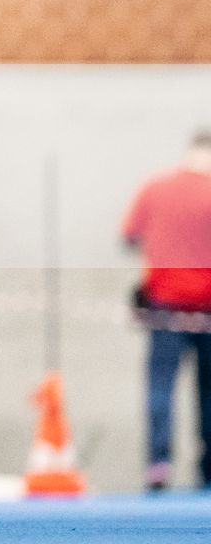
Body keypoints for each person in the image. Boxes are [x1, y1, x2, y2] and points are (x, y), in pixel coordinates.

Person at [121, 129, 211, 491]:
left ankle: (158, 464)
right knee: (209, 390)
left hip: (165, 305)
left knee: (160, 385)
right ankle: (208, 466)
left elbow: (130, 236)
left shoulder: (155, 188)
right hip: (207, 306)